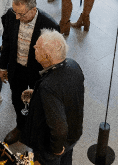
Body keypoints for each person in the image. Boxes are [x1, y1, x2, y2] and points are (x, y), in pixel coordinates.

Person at [0, 0, 58, 145]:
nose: (17, 17)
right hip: (16, 68)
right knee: (17, 100)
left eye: (22, 14)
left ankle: (37, 131)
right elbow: (6, 42)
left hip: (37, 73)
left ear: (33, 9)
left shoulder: (49, 25)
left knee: (38, 104)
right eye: (15, 12)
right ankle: (20, 127)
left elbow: (53, 59)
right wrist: (2, 67)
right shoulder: (12, 16)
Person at [21, 30, 84, 165]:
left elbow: (59, 128)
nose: (34, 48)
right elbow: (66, 94)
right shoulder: (73, 65)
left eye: (37, 48)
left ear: (47, 56)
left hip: (51, 147)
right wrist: (37, 95)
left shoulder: (48, 87)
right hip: (73, 134)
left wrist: (56, 150)